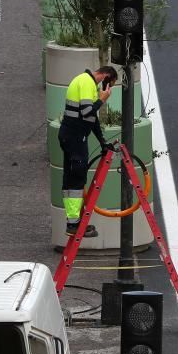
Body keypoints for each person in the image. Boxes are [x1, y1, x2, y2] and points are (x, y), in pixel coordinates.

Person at [60, 66, 119, 236]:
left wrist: (102, 142)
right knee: (77, 179)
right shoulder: (86, 82)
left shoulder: (88, 84)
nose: (106, 88)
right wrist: (102, 99)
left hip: (72, 136)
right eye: (109, 83)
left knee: (71, 178)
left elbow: (92, 120)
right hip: (75, 137)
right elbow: (87, 112)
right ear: (106, 76)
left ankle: (73, 222)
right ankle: (73, 224)